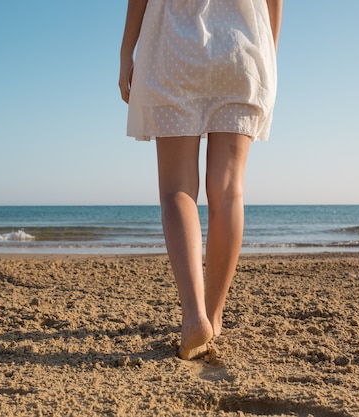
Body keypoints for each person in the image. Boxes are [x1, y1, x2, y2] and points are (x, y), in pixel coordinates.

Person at [119, 0, 282, 360]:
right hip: (242, 47)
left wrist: (125, 54)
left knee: (177, 189)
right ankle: (214, 314)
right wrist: (269, 51)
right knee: (228, 191)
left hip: (173, 46)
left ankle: (194, 316)